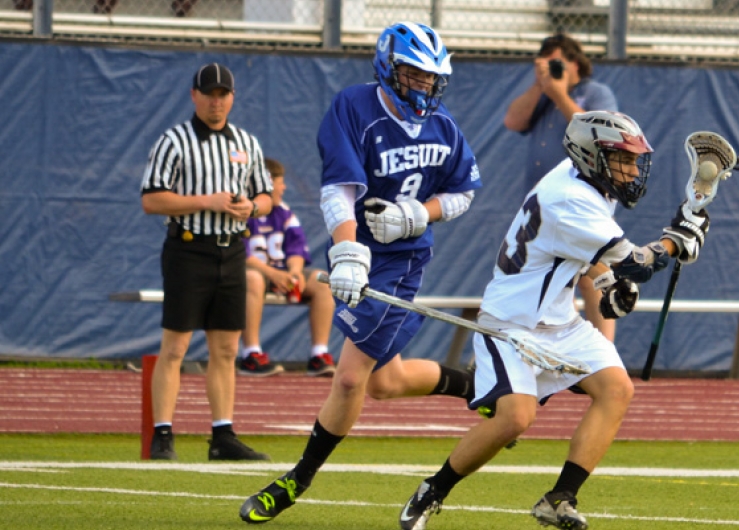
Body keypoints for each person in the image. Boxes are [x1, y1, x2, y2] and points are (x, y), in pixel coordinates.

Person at [397, 111, 710, 530]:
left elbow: (575, 250)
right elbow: (638, 262)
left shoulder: (581, 177)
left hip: (558, 320)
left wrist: (606, 281)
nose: (633, 170)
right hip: (511, 322)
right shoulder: (571, 198)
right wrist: (678, 238)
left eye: (635, 159)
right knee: (515, 418)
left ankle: (560, 497)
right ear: (593, 155)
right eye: (624, 159)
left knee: (617, 389)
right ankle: (430, 491)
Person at [239, 21, 483, 524]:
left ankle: (296, 479)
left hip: (404, 260)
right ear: (388, 68)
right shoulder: (355, 107)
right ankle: (477, 388)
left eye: (432, 77)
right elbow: (338, 189)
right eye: (414, 74)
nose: (425, 86)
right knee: (384, 382)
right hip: (362, 251)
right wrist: (348, 251)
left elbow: (464, 191)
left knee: (350, 379)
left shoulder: (445, 126)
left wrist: (418, 215)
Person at [140, 62, 274, 461]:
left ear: (232, 97)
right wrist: (207, 201)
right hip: (188, 247)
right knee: (176, 345)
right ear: (194, 95)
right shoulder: (174, 141)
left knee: (226, 349)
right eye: (209, 93)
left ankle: (223, 435)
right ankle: (162, 433)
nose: (217, 101)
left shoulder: (247, 142)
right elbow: (151, 199)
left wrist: (250, 207)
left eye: (223, 94)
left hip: (232, 249)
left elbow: (266, 198)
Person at [504, 32, 619, 342]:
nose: (551, 71)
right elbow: (512, 121)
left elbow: (599, 135)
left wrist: (558, 94)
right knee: (552, 273)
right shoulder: (540, 96)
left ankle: (603, 350)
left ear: (575, 63)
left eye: (557, 63)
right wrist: (539, 85)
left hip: (585, 199)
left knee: (592, 272)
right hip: (543, 204)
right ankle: (562, 346)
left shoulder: (596, 93)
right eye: (545, 64)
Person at [239, 157, 337, 378]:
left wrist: (293, 272)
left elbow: (296, 249)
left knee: (323, 281)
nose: (283, 187)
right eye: (279, 182)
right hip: (253, 276)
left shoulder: (283, 212)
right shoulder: (242, 210)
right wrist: (274, 274)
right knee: (252, 279)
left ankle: (319, 354)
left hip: (280, 274)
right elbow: (240, 255)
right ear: (263, 184)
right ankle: (251, 353)